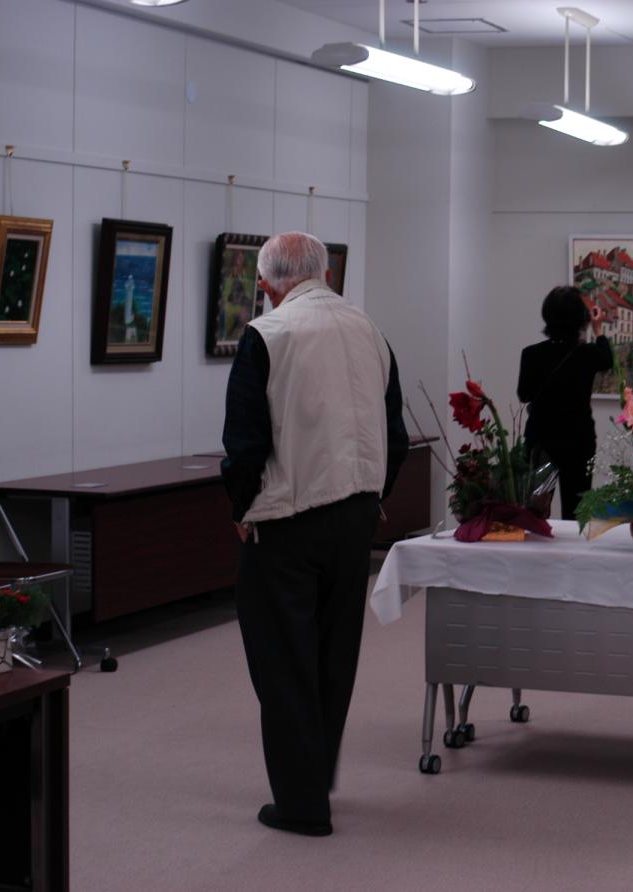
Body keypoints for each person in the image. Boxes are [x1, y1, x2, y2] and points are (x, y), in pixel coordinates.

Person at [221, 231, 408, 837]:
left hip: (287, 518)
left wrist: (241, 508)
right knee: (333, 653)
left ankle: (301, 803)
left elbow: (244, 441)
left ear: (267, 284)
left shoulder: (267, 334)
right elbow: (396, 436)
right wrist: (373, 495)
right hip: (356, 518)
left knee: (282, 659)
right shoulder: (369, 330)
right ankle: (315, 778)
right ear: (326, 274)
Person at [517, 286, 614, 521]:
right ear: (581, 318)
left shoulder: (531, 354)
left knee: (535, 511)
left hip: (542, 442)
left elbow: (524, 394)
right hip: (578, 442)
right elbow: (607, 360)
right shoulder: (588, 354)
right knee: (576, 510)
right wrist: (598, 329)